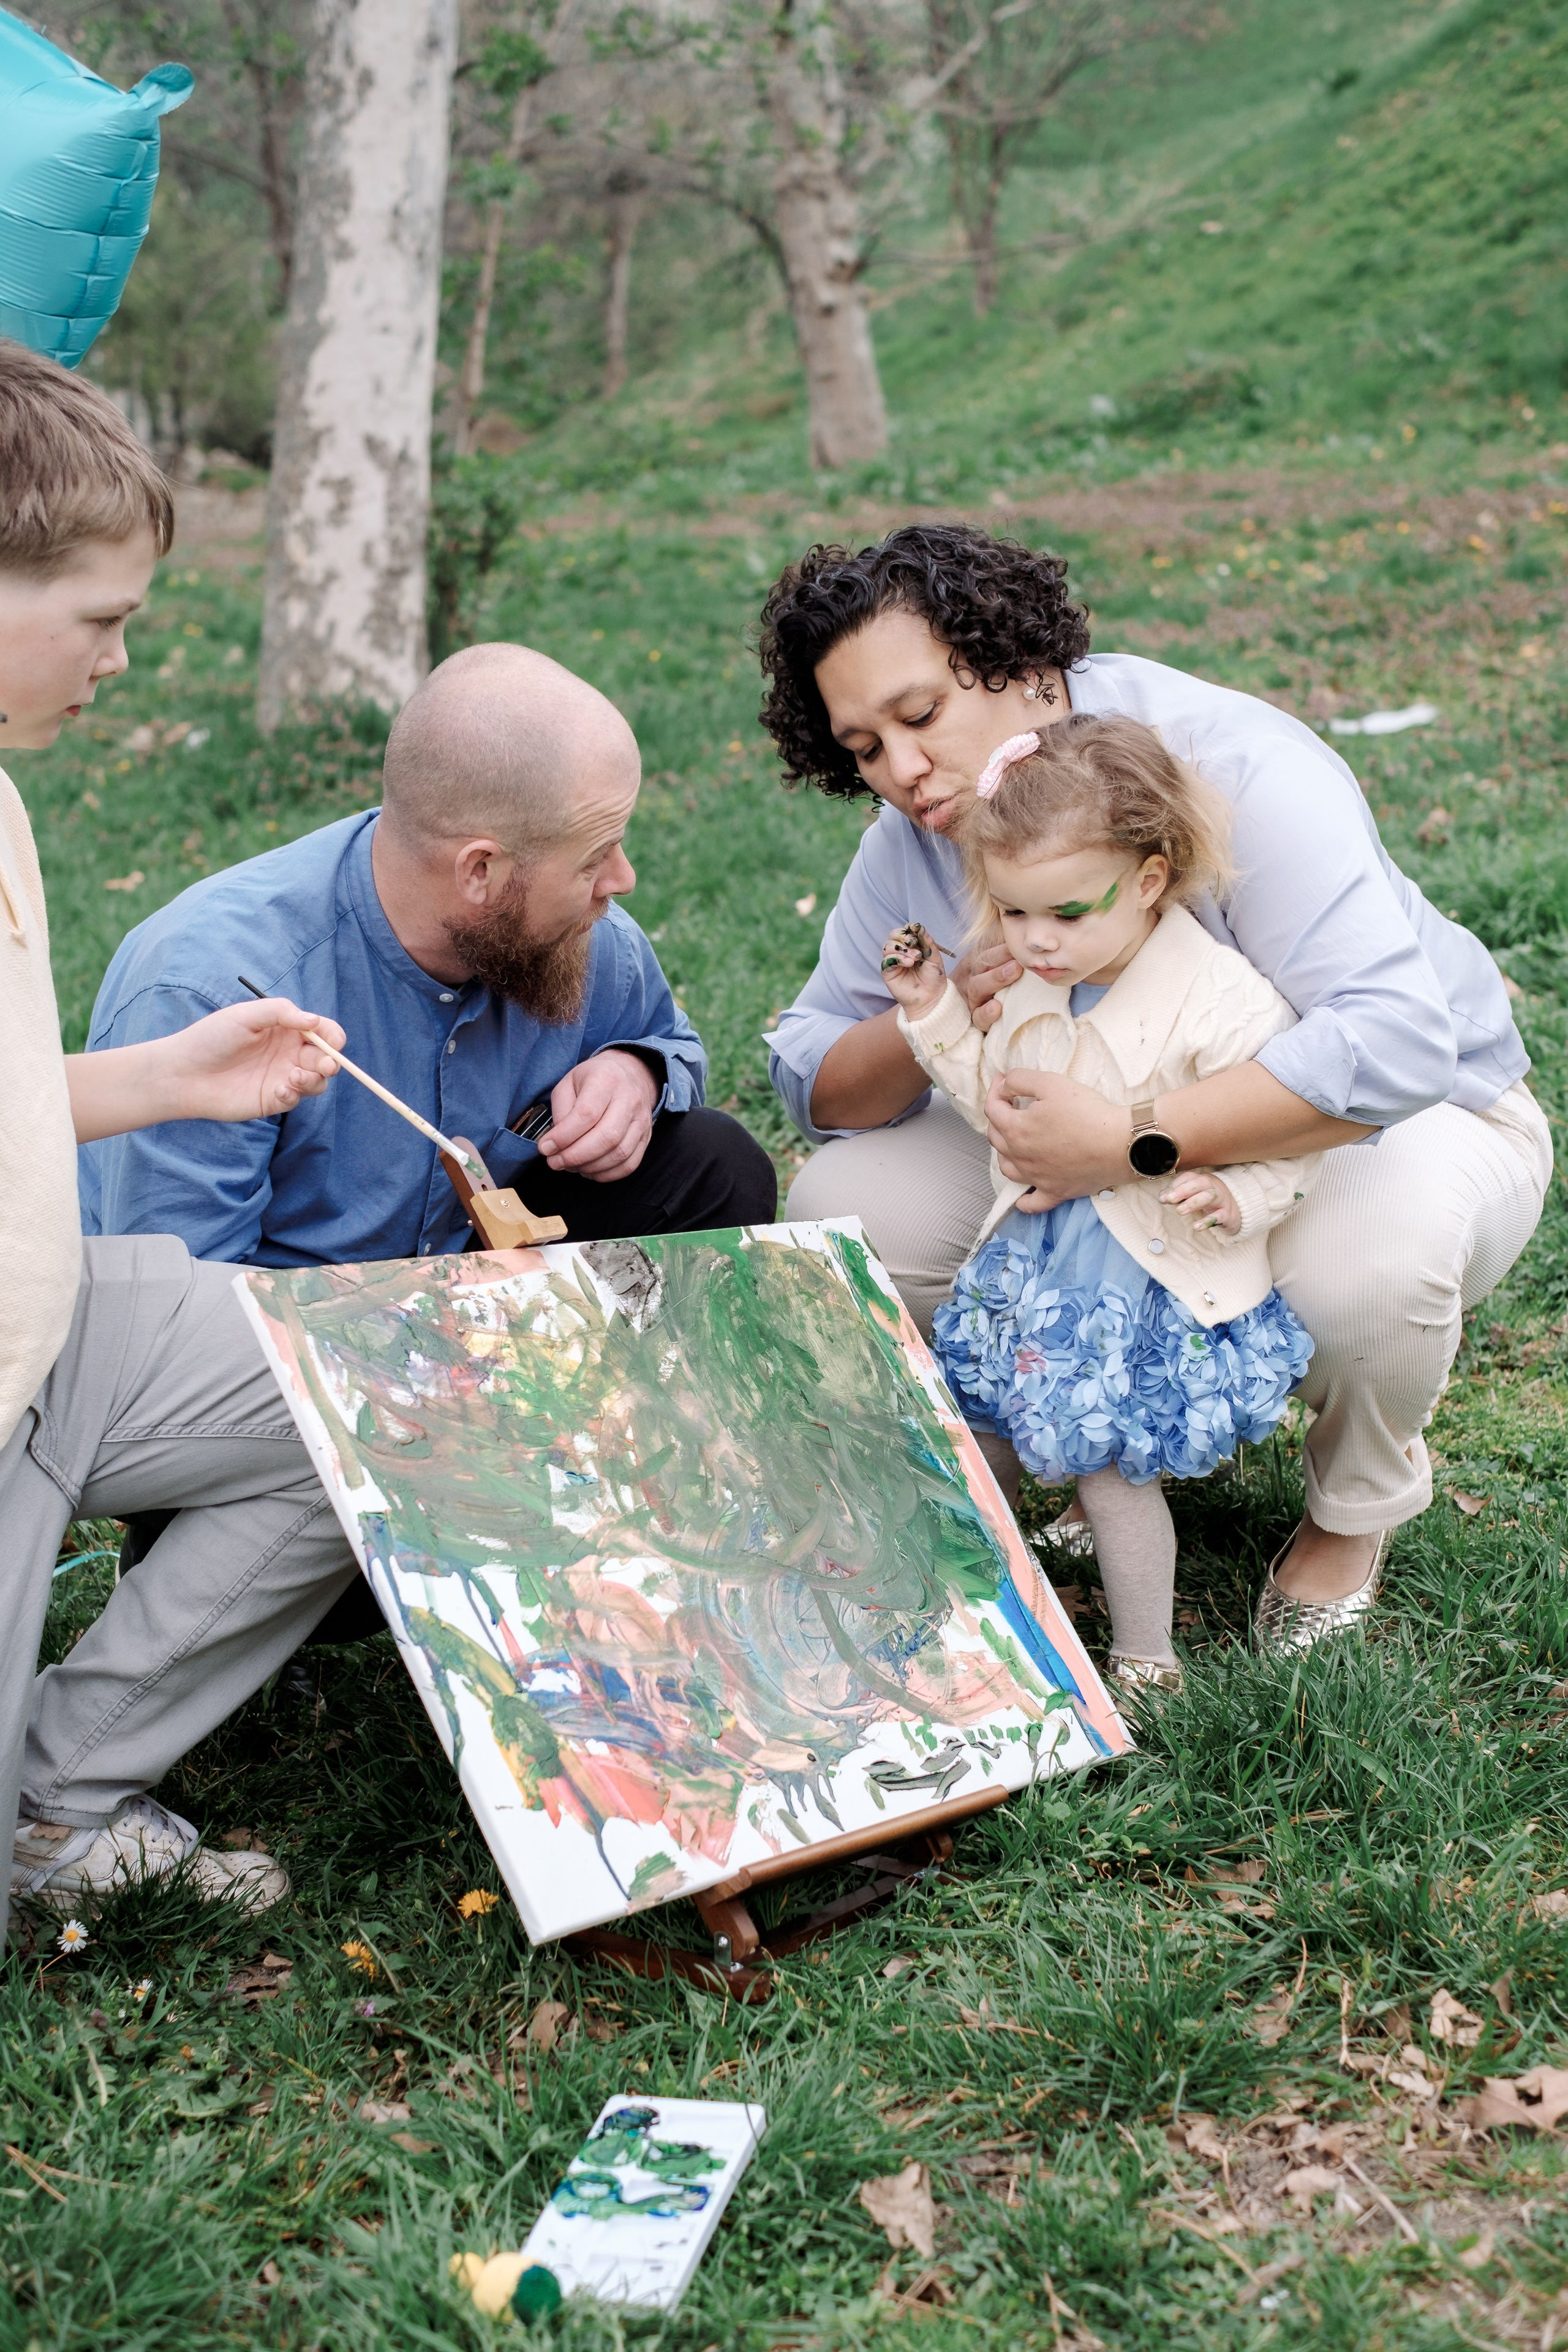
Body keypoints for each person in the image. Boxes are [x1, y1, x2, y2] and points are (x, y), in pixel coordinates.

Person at [760, 522, 1551, 1652]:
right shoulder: (916, 834)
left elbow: (1397, 1047)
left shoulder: (1229, 766)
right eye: (863, 746)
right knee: (849, 1199)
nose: (900, 770)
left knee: (1367, 1267)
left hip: (1403, 1124)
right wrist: (930, 1009)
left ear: (1019, 658)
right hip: (1108, 1161)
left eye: (920, 715)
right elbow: (813, 1079)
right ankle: (1102, 1440)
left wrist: (1134, 1139)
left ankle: (1351, 1512)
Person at [0, 338, 361, 1924]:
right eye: (103, 621)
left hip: (54, 1321)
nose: (122, 661)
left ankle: (58, 1799)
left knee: (375, 1384)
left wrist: (166, 1079)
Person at [81, 641, 777, 1266]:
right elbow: (179, 1296)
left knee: (715, 1164)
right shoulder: (213, 990)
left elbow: (668, 1041)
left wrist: (638, 1073)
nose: (622, 881)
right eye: (595, 857)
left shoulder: (588, 938)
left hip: (484, 1289)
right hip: (278, 1346)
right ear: (480, 871)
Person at [881, 715, 1316, 1692]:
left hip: (1139, 1277)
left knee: (1111, 1470)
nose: (1034, 941)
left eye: (1066, 914)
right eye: (1013, 912)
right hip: (1034, 1261)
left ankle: (1147, 1659)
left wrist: (1233, 1191)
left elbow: (1288, 1136)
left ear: (1153, 881)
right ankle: (971, 1610)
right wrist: (934, 1012)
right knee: (982, 1428)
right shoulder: (1041, 983)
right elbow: (995, 1104)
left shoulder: (1221, 1002)